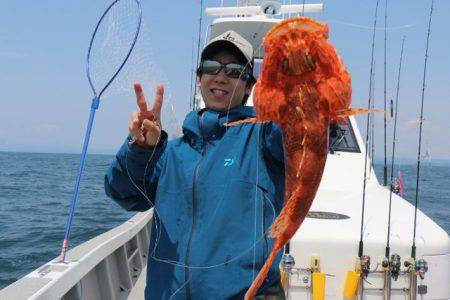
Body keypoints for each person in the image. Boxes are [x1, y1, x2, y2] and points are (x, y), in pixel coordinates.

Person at [105, 30, 285, 299]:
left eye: (235, 71)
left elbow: (303, 134)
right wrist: (142, 149)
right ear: (199, 78)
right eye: (212, 67)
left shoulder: (264, 136)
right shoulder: (171, 152)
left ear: (249, 86)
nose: (221, 76)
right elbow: (125, 194)